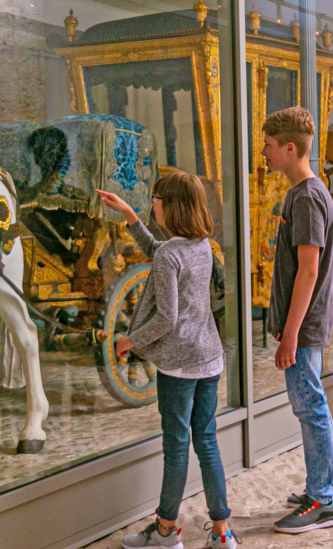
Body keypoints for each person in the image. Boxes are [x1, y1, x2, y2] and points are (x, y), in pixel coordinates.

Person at [96, 173, 239, 549]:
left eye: (155, 197)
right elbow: (159, 250)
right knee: (206, 443)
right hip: (208, 358)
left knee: (176, 446)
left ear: (170, 205)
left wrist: (130, 340)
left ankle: (165, 532)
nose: (152, 201)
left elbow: (166, 318)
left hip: (177, 366)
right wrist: (130, 216)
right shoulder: (201, 245)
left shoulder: (169, 254)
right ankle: (223, 533)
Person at [261, 107, 333, 534]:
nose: (264, 153)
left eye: (269, 146)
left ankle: (322, 500)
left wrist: (289, 335)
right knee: (314, 405)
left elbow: (310, 269)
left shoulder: (306, 197)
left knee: (310, 406)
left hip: (305, 325)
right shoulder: (305, 194)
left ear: (290, 148)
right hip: (307, 323)